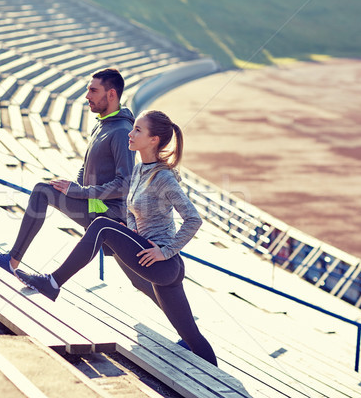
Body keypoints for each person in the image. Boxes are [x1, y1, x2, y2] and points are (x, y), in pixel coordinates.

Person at [16, 110, 218, 366]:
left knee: (103, 226)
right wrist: (133, 228)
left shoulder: (163, 177)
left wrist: (165, 251)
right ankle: (227, 387)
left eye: (137, 131)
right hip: (153, 260)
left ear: (154, 140)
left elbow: (193, 219)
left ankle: (52, 283)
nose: (130, 135)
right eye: (132, 129)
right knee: (193, 339)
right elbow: (130, 207)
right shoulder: (138, 171)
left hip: (163, 263)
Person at [0, 68, 135, 274]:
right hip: (92, 204)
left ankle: (14, 262)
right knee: (44, 190)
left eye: (93, 91)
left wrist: (77, 192)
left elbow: (125, 183)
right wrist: (72, 186)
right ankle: (14, 262)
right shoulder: (103, 124)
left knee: (144, 282)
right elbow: (86, 167)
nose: (87, 96)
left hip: (108, 215)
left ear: (111, 94)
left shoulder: (122, 131)